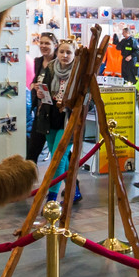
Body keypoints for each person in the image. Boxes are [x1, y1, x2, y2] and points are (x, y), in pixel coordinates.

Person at [30, 40, 82, 203]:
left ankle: (51, 197)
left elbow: (88, 100)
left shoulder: (79, 73)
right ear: (57, 53)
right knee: (58, 156)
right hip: (49, 118)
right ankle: (74, 191)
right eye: (62, 52)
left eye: (69, 53)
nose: (65, 56)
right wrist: (39, 93)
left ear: (74, 55)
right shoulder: (50, 69)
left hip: (68, 119)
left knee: (58, 157)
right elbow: (42, 90)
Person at [26, 32, 58, 161]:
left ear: (55, 45)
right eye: (42, 43)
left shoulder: (59, 63)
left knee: (58, 154)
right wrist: (34, 86)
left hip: (55, 114)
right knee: (32, 152)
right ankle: (27, 181)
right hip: (40, 114)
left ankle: (73, 181)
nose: (43, 46)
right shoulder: (38, 61)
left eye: (47, 43)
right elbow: (34, 81)